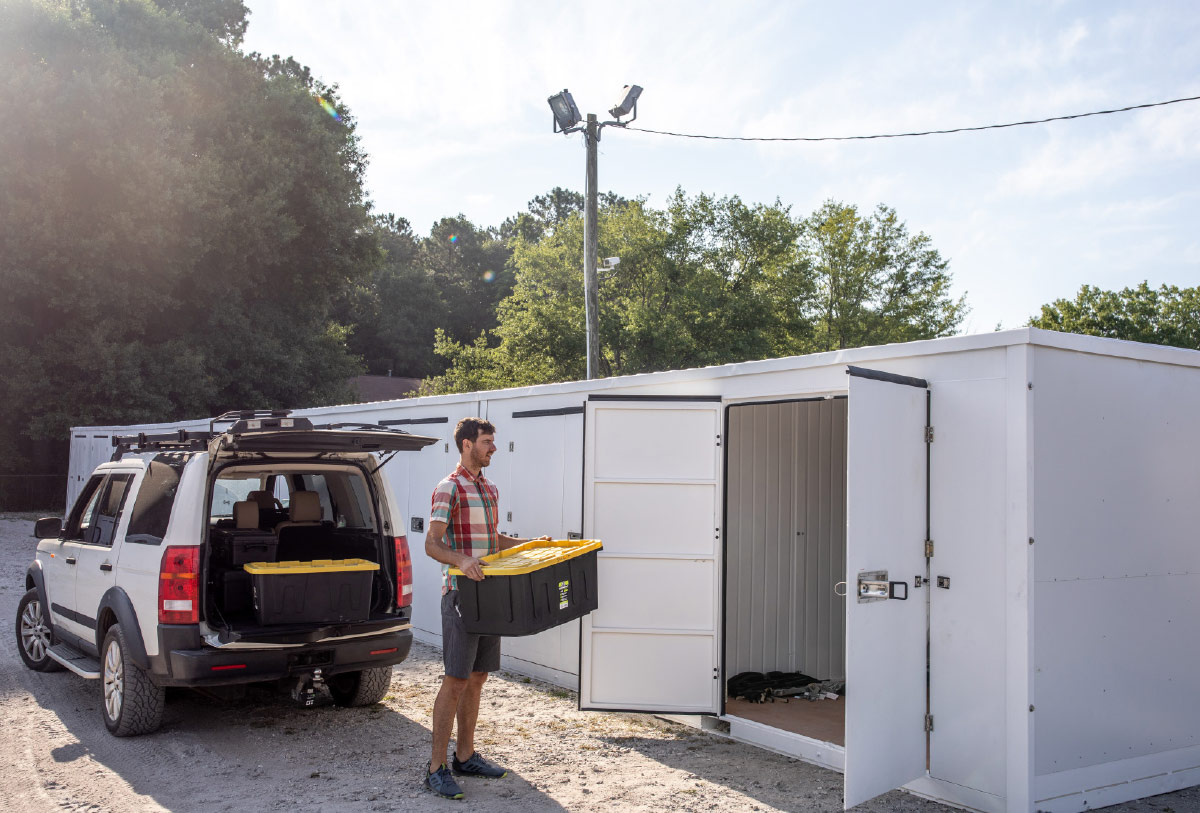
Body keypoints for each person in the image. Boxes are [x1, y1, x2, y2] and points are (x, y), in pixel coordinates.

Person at [423, 417, 548, 800]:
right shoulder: (449, 487)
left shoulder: (490, 488)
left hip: (489, 596)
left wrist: (528, 543)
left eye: (493, 442)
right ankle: (436, 768)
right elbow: (432, 543)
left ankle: (465, 756)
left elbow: (492, 538)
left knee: (478, 677)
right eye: (487, 442)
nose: (493, 448)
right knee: (456, 679)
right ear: (466, 445)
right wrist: (460, 561)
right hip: (460, 595)